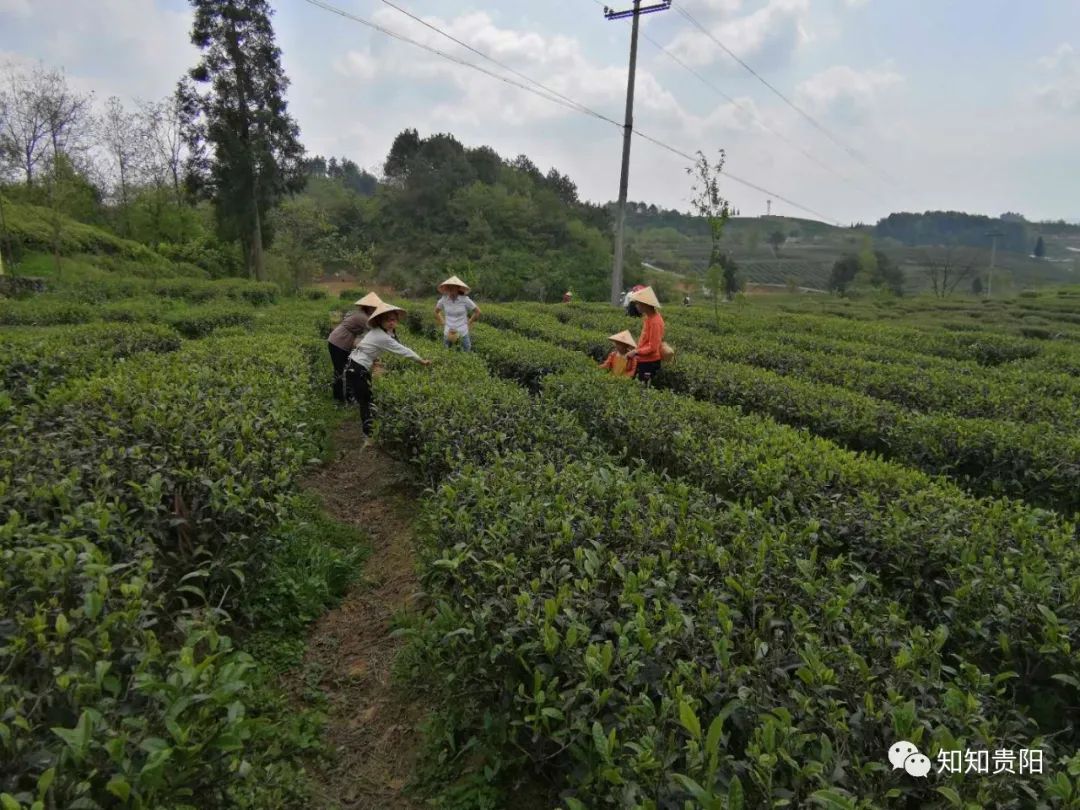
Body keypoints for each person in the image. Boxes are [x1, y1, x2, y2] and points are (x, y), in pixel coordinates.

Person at [345, 302, 431, 443]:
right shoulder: (382, 336)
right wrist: (421, 361)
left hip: (355, 366)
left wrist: (373, 360)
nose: (391, 323)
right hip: (357, 368)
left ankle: (369, 432)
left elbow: (364, 346)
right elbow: (403, 350)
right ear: (380, 321)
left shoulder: (378, 332)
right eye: (388, 320)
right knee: (366, 402)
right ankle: (368, 436)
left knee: (367, 399)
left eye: (394, 319)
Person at [328, 292, 381, 402]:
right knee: (341, 370)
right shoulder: (362, 317)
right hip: (338, 342)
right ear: (368, 307)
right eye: (373, 307)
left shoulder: (363, 315)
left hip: (340, 341)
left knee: (343, 369)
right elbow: (375, 331)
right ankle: (341, 398)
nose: (375, 309)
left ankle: (342, 396)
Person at [626, 286, 665, 385]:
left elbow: (653, 347)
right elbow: (645, 340)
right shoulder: (648, 318)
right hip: (643, 360)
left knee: (644, 389)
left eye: (638, 303)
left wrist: (636, 351)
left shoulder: (655, 322)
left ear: (645, 305)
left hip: (650, 362)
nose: (636, 306)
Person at [435, 275, 480, 351]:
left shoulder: (465, 299)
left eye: (453, 287)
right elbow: (436, 312)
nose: (451, 289)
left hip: (462, 332)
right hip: (448, 333)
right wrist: (443, 323)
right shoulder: (443, 300)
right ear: (447, 288)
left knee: (466, 355)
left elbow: (477, 312)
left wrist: (469, 323)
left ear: (458, 288)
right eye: (449, 287)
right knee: (447, 355)